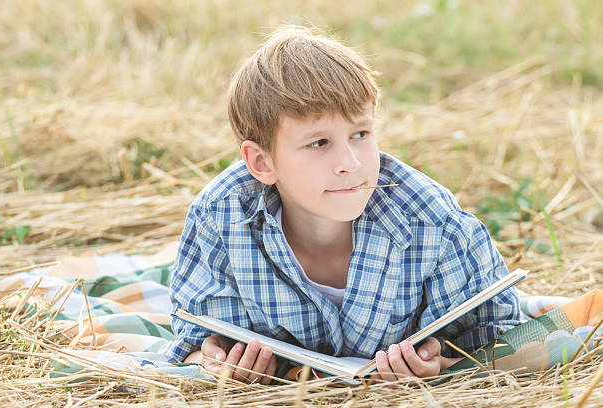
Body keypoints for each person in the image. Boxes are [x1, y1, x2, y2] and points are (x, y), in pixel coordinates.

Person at [165, 25, 520, 384]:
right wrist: (215, 363)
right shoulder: (221, 215)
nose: (350, 162)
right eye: (319, 143)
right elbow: (194, 339)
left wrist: (440, 367)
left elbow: (499, 334)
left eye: (360, 134)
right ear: (262, 162)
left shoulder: (434, 220)